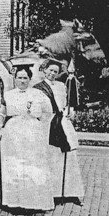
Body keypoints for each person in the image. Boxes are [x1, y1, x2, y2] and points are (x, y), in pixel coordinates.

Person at [0, 66, 54, 211]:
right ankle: (13, 202)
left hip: (32, 132)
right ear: (14, 79)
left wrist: (39, 125)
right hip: (13, 132)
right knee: (14, 165)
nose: (22, 81)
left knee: (32, 165)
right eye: (19, 77)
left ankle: (33, 203)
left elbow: (48, 112)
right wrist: (0, 126)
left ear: (30, 79)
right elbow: (2, 113)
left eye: (25, 78)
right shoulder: (8, 95)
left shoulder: (38, 94)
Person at [34, 58, 84, 203]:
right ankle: (53, 193)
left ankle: (70, 192)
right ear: (44, 71)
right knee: (52, 158)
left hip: (63, 123)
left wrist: (71, 112)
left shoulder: (62, 86)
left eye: (55, 71)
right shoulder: (37, 88)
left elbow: (68, 104)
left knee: (69, 157)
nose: (53, 74)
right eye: (50, 70)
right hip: (48, 125)